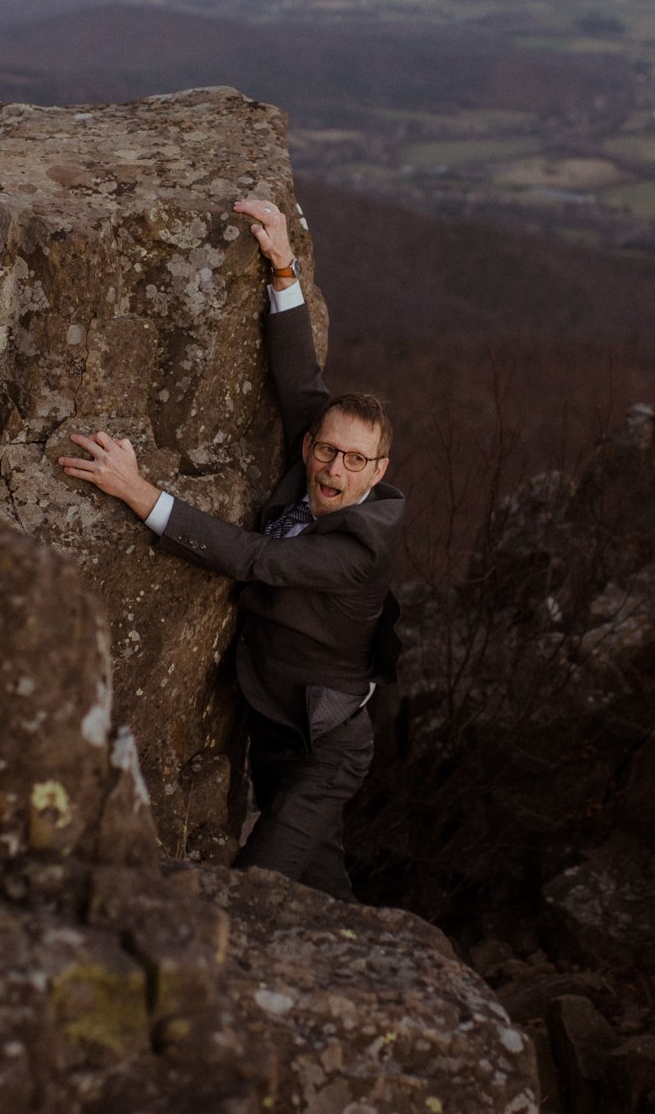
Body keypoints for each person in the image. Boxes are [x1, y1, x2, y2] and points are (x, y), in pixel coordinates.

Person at [58, 196, 403, 901]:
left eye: (354, 461)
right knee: (320, 881)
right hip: (278, 727)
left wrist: (137, 491)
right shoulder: (318, 455)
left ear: (379, 472)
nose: (334, 469)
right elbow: (301, 378)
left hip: (328, 748)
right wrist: (281, 263)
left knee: (252, 889)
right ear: (312, 446)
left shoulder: (358, 550)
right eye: (328, 451)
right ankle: (341, 978)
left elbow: (255, 559)